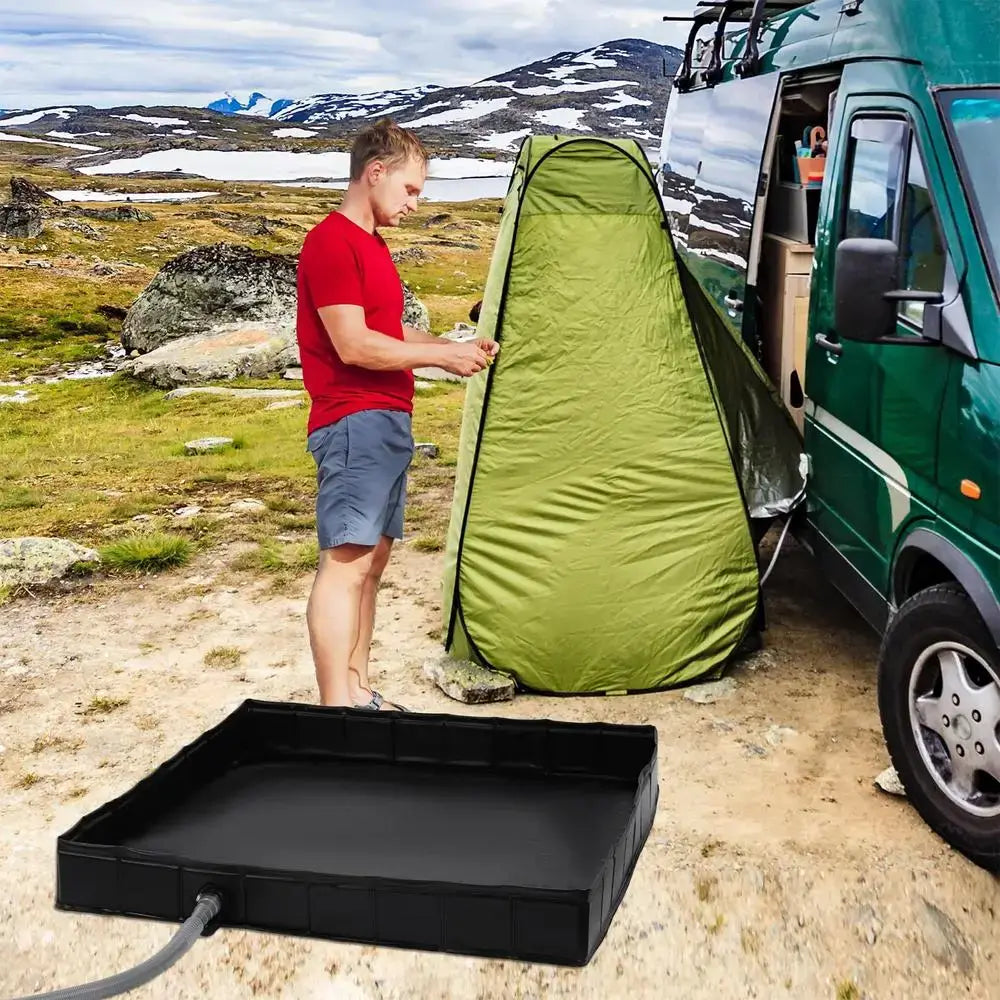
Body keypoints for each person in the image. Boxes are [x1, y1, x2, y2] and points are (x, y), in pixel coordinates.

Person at [296, 118, 498, 711]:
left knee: (371, 563)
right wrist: (441, 355)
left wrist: (452, 346)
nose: (415, 203)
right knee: (347, 560)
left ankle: (359, 692)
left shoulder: (371, 246)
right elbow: (354, 345)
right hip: (353, 419)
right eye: (410, 189)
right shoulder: (332, 242)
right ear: (374, 172)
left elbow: (388, 331)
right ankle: (338, 707)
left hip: (384, 419)